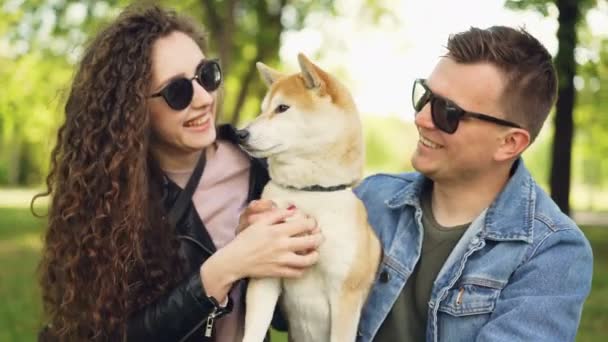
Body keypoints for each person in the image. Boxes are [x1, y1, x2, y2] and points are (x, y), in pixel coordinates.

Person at [34, 4, 323, 341]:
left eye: (207, 75)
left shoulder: (266, 173)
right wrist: (224, 268)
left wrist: (285, 252)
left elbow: (293, 317)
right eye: (177, 92)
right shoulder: (107, 200)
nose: (202, 98)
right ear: (134, 110)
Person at [354, 26, 593, 342]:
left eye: (446, 111)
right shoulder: (369, 199)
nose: (422, 118)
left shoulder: (552, 252)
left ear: (509, 143)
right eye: (425, 95)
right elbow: (288, 315)